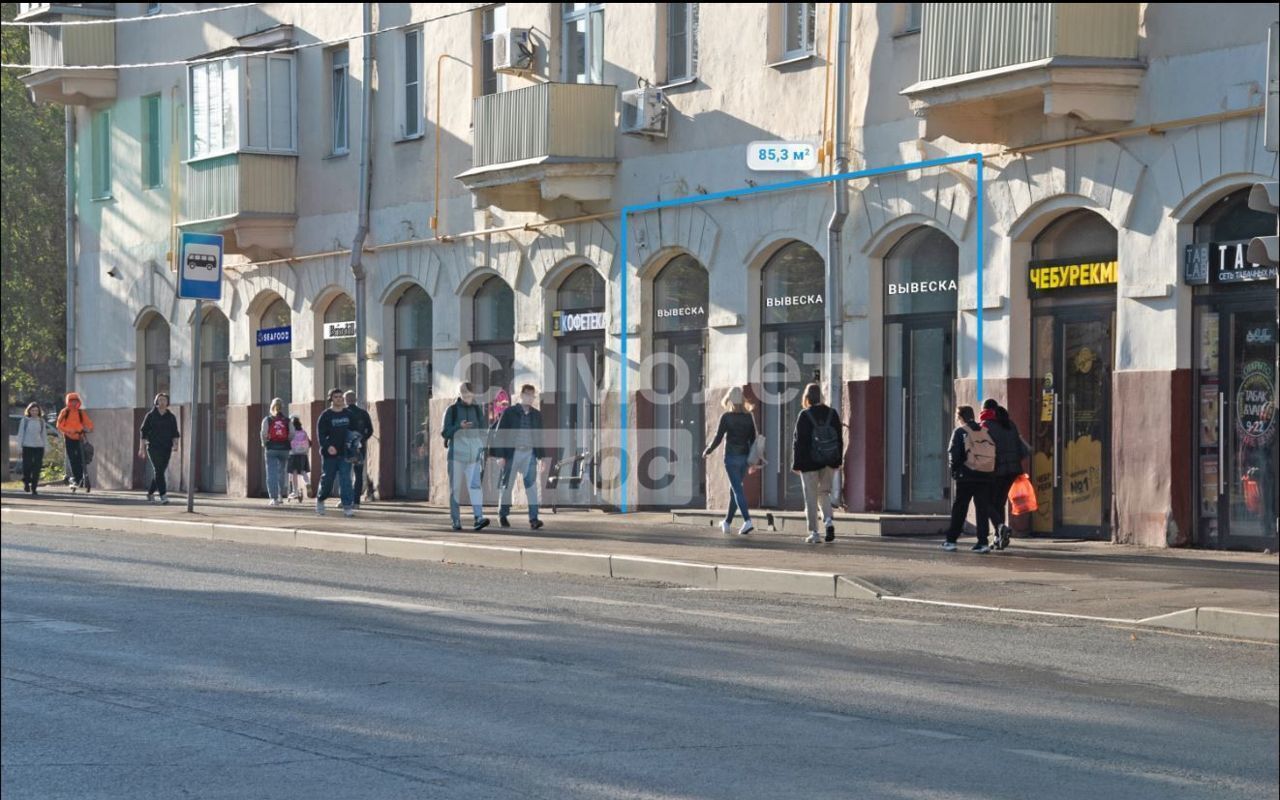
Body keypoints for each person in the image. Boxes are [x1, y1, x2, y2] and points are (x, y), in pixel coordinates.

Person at [792, 383, 844, 544]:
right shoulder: (832, 414)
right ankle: (828, 521)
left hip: (808, 464)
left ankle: (814, 533)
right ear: (820, 396)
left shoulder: (804, 415)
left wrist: (797, 464)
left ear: (806, 398)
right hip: (828, 461)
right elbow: (839, 439)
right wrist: (837, 461)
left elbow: (798, 442)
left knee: (811, 497)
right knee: (824, 493)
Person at [703, 387, 759, 536]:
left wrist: (708, 450)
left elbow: (718, 437)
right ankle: (727, 522)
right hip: (744, 458)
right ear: (742, 399)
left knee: (737, 489)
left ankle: (747, 521)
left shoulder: (726, 417)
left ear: (729, 399)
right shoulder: (749, 417)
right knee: (735, 489)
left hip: (731, 458)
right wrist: (753, 462)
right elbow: (754, 440)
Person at [493, 383, 547, 530]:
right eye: (528, 395)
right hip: (512, 453)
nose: (530, 398)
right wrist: (500, 456)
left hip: (529, 454)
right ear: (522, 395)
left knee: (531, 486)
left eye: (532, 395)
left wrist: (541, 458)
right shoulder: (510, 412)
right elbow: (499, 435)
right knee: (507, 486)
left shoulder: (536, 415)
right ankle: (502, 515)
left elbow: (539, 437)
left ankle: (534, 519)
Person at [944, 406, 996, 553]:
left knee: (960, 508)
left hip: (966, 476)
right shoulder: (985, 431)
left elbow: (954, 455)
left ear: (960, 417)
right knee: (982, 509)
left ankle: (951, 540)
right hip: (984, 474)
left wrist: (955, 472)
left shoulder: (960, 432)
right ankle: (982, 542)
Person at [981, 399, 1030, 551]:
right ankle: (999, 537)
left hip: (995, 471)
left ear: (985, 410)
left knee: (985, 502)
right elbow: (1023, 450)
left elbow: (983, 451)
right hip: (1013, 470)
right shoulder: (1010, 424)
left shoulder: (985, 426)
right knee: (998, 503)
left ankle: (1000, 527)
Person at [442, 382, 491, 531]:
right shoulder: (452, 410)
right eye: (465, 395)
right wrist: (459, 427)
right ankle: (456, 520)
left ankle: (478, 518)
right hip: (456, 456)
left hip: (473, 456)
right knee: (455, 489)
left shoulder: (477, 410)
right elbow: (445, 432)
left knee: (475, 487)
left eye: (470, 395)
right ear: (460, 394)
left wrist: (482, 446)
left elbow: (484, 430)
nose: (468, 398)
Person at [316, 388, 356, 517]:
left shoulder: (349, 414)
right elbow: (321, 435)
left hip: (345, 453)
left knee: (346, 479)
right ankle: (321, 499)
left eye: (340, 397)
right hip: (330, 454)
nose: (339, 399)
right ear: (331, 399)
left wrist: (356, 444)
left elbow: (355, 431)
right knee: (328, 479)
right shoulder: (326, 415)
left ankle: (347, 506)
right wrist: (327, 446)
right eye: (336, 397)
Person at [139, 392, 180, 505]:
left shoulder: (171, 417)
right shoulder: (151, 416)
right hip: (153, 447)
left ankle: (150, 493)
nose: (162, 402)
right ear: (156, 402)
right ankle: (163, 495)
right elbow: (143, 432)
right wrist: (141, 448)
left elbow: (175, 432)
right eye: (160, 400)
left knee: (160, 471)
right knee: (158, 470)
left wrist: (176, 444)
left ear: (167, 402)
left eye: (164, 400)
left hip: (166, 447)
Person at [56, 392, 94, 493]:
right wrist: (68, 431)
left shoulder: (81, 413)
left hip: (79, 437)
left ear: (78, 402)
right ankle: (76, 478)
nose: (73, 403)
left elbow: (88, 422)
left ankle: (80, 477)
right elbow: (59, 425)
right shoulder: (65, 412)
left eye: (75, 401)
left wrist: (90, 428)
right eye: (71, 401)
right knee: (73, 458)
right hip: (69, 438)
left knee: (81, 458)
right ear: (68, 402)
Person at [344, 391, 374, 507]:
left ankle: (346, 499)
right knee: (358, 473)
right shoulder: (363, 413)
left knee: (345, 473)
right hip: (360, 447)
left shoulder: (343, 413)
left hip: (346, 447)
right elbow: (370, 430)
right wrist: (362, 439)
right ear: (355, 399)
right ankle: (356, 501)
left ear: (346, 400)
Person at [261, 397, 292, 507]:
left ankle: (273, 498)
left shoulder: (267, 420)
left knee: (271, 473)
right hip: (284, 449)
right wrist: (287, 442)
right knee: (281, 472)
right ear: (282, 408)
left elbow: (264, 433)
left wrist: (265, 444)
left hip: (271, 449)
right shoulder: (287, 420)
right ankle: (280, 495)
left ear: (271, 407)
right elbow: (292, 434)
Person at [18, 403, 46, 497]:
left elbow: (44, 435)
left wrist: (45, 447)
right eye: (32, 410)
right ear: (29, 411)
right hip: (27, 446)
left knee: (37, 468)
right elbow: (21, 434)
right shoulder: (25, 421)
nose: (34, 412)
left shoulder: (41, 421)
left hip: (39, 447)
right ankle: (26, 482)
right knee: (27, 466)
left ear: (39, 412)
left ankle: (34, 488)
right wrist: (19, 447)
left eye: (36, 411)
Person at [287, 416, 311, 503]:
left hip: (293, 454)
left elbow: (287, 442)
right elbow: (310, 442)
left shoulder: (291, 433)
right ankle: (308, 484)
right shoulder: (303, 432)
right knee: (303, 471)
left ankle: (295, 491)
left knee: (293, 473)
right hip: (303, 455)